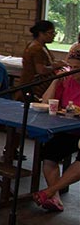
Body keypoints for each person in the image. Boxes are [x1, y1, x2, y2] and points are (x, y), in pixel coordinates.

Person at [34, 49, 80, 212]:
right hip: (68, 129)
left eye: (77, 68)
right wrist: (55, 81)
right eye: (70, 67)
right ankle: (55, 197)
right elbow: (46, 103)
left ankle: (50, 191)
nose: (72, 71)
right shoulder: (66, 80)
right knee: (49, 156)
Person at [21, 20, 67, 100]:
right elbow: (41, 70)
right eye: (51, 33)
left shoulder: (40, 46)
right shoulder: (36, 48)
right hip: (34, 87)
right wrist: (57, 65)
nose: (53, 36)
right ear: (41, 33)